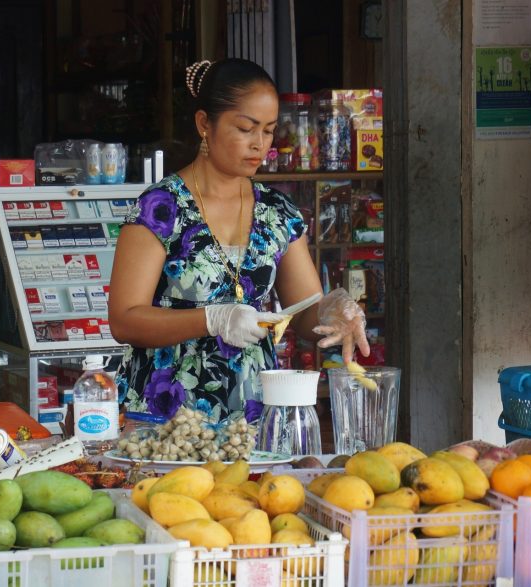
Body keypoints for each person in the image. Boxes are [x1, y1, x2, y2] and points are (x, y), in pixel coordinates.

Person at [108, 58, 369, 421]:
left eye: (268, 131)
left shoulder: (277, 211)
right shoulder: (161, 208)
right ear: (204, 124)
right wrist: (212, 319)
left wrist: (336, 311)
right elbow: (124, 321)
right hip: (165, 416)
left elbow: (305, 312)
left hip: (250, 416)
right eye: (246, 129)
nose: (259, 145)